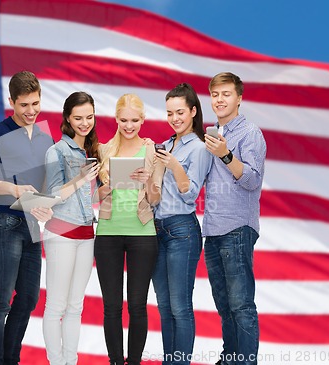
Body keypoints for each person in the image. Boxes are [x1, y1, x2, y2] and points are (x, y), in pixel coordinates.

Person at [0, 71, 54, 365]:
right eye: (24, 105)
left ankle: (9, 359)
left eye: (36, 103)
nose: (31, 111)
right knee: (1, 299)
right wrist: (12, 188)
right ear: (11, 102)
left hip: (30, 224)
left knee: (28, 298)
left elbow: (42, 185)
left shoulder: (43, 137)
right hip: (3, 222)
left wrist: (46, 205)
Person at [94, 93, 164, 365]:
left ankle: (134, 361)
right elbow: (92, 198)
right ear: (116, 119)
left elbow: (156, 198)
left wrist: (148, 182)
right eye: (124, 120)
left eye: (135, 120)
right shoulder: (103, 150)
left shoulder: (151, 151)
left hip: (142, 234)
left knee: (137, 305)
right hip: (108, 233)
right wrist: (106, 186)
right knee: (111, 306)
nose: (129, 125)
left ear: (143, 119)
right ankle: (115, 361)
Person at [203, 72, 266, 365]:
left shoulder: (249, 133)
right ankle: (229, 359)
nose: (219, 100)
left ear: (239, 98)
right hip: (212, 230)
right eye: (215, 94)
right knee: (224, 305)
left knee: (241, 305)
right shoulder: (211, 134)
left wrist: (226, 155)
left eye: (226, 94)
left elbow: (252, 180)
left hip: (238, 228)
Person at [151, 83, 213, 365]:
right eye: (170, 113)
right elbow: (156, 191)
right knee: (164, 306)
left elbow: (191, 194)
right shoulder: (165, 145)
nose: (175, 118)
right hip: (157, 229)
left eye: (180, 112)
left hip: (181, 230)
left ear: (193, 112)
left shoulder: (199, 148)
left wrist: (175, 166)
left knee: (180, 306)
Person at [42, 91, 101, 365]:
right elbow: (52, 194)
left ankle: (71, 361)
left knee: (76, 306)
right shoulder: (56, 151)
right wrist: (79, 178)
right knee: (56, 306)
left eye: (89, 117)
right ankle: (56, 362)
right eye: (78, 118)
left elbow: (92, 199)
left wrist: (123, 181)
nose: (84, 123)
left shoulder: (93, 152)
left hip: (87, 234)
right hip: (61, 234)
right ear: (67, 118)